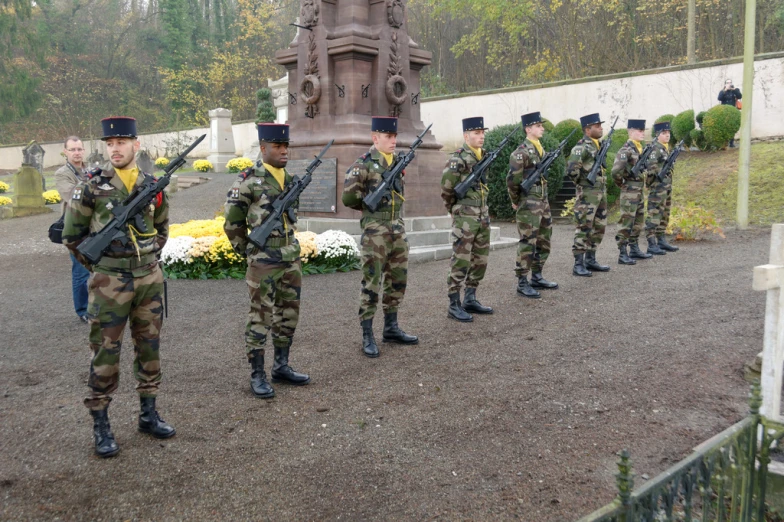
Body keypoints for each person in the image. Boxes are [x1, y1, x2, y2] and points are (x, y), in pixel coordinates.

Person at [62, 116, 175, 458]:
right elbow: (73, 237)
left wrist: (145, 263)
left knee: (150, 347)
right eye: (110, 144)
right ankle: (101, 424)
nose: (115, 149)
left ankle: (148, 413)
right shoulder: (91, 186)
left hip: (148, 278)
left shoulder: (151, 184)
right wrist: (102, 268)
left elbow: (162, 229)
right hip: (109, 282)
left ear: (135, 145)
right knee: (105, 354)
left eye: (122, 143)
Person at [223, 123, 310, 399]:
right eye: (277, 146)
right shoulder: (248, 181)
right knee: (260, 318)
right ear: (263, 148)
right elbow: (232, 223)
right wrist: (248, 252)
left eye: (286, 146)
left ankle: (281, 366)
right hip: (264, 261)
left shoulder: (290, 178)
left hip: (289, 257)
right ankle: (257, 374)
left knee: (288, 314)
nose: (283, 151)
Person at [342, 116, 419, 358]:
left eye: (395, 136)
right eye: (388, 136)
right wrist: (370, 210)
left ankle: (391, 327)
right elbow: (349, 198)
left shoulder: (397, 161)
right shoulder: (363, 165)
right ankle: (367, 333)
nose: (393, 141)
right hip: (375, 232)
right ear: (375, 138)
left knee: (398, 279)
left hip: (397, 228)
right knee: (372, 282)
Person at [440, 116, 493, 322]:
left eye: (482, 133)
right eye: (476, 133)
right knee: (461, 259)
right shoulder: (458, 159)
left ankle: (470, 297)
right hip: (465, 217)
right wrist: (453, 209)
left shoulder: (484, 156)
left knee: (480, 259)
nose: (481, 137)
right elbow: (446, 188)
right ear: (466, 136)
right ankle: (454, 303)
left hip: (482, 215)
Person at [506, 111, 559, 297]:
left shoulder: (540, 149)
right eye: (538, 126)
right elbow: (512, 181)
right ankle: (522, 281)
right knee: (528, 242)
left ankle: (537, 276)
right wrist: (516, 201)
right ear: (528, 129)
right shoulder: (520, 153)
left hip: (542, 202)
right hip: (528, 203)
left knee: (544, 240)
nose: (542, 128)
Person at [567, 113, 611, 277]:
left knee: (599, 226)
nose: (600, 128)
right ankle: (578, 264)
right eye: (597, 126)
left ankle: (591, 259)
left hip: (600, 191)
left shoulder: (597, 145)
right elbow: (571, 170)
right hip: (588, 192)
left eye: (600, 125)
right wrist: (584, 183)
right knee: (584, 227)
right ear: (587, 129)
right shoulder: (581, 148)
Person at [55, 136, 90, 323]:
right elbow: (73, 197)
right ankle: (83, 310)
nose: (76, 152)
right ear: (65, 152)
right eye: (72, 149)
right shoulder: (62, 174)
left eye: (79, 149)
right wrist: (93, 188)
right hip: (75, 228)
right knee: (81, 270)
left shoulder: (90, 169)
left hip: (93, 226)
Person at [611, 119, 652, 265]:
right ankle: (622, 253)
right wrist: (622, 184)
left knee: (638, 221)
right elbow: (616, 171)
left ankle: (634, 249)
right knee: (626, 222)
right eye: (639, 131)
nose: (642, 133)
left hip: (639, 191)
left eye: (643, 130)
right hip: (629, 191)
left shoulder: (639, 149)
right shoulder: (626, 150)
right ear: (631, 131)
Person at [644, 121, 679, 254]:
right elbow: (651, 168)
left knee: (664, 213)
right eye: (664, 133)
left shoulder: (664, 148)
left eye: (668, 133)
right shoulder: (655, 149)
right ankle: (652, 243)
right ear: (657, 135)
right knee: (654, 213)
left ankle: (661, 240)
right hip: (657, 187)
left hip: (666, 187)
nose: (667, 135)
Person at [718, 79, 742, 147]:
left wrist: (734, 90)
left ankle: (731, 143)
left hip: (733, 111)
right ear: (725, 84)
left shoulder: (735, 90)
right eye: (727, 83)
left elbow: (740, 96)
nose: (729, 84)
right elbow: (719, 98)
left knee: (732, 126)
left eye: (730, 82)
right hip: (724, 111)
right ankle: (725, 142)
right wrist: (725, 90)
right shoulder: (722, 91)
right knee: (725, 126)